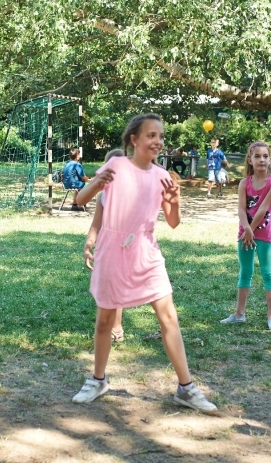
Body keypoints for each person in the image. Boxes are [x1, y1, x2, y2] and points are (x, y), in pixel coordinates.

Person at [71, 113, 218, 415]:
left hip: (146, 251)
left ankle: (186, 389)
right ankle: (98, 380)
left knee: (168, 317)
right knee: (104, 321)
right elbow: (80, 200)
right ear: (134, 139)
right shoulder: (116, 165)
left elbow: (174, 223)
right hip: (112, 250)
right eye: (151, 135)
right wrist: (97, 181)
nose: (158, 141)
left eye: (161, 136)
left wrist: (175, 200)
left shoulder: (162, 176)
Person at [221, 141, 271, 329]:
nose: (261, 160)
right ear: (250, 160)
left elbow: (263, 209)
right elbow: (240, 209)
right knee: (245, 272)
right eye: (257, 156)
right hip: (244, 234)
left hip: (264, 234)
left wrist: (251, 229)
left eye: (265, 156)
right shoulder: (243, 183)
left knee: (268, 273)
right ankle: (239, 314)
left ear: (270, 159)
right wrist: (246, 230)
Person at [83, 149, 126, 342]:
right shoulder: (103, 195)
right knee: (106, 288)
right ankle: (110, 325)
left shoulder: (131, 193)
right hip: (105, 248)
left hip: (126, 247)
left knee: (116, 287)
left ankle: (116, 328)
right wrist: (89, 243)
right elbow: (96, 224)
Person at [62, 148, 90, 212]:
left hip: (65, 184)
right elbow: (83, 177)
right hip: (73, 184)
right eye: (79, 154)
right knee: (83, 184)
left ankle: (74, 205)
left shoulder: (67, 163)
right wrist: (89, 180)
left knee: (77, 187)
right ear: (77, 156)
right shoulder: (77, 164)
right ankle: (82, 203)